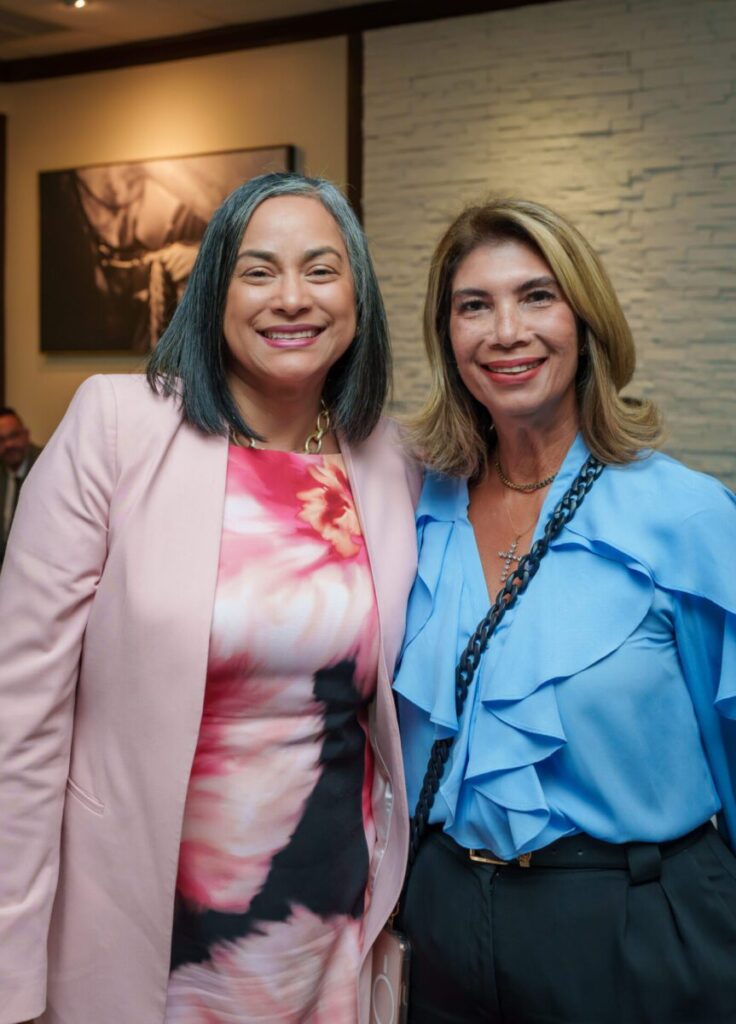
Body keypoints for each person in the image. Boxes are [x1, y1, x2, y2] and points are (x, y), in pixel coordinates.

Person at [0, 172, 420, 1024]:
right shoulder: (117, 426)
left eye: (321, 270)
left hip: (327, 926)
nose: (291, 298)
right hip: (145, 926)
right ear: (214, 293)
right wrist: (11, 971)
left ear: (359, 297)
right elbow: (21, 717)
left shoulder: (389, 461)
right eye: (258, 271)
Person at [394, 198, 736, 1024]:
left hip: (634, 928)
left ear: (585, 320)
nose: (506, 331)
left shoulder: (686, 517)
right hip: (442, 925)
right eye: (474, 306)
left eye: (537, 296)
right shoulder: (415, 513)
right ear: (447, 337)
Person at [0, 407, 41, 568]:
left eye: (13, 436)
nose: (8, 445)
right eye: (1, 440)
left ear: (26, 435)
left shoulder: (46, 465)